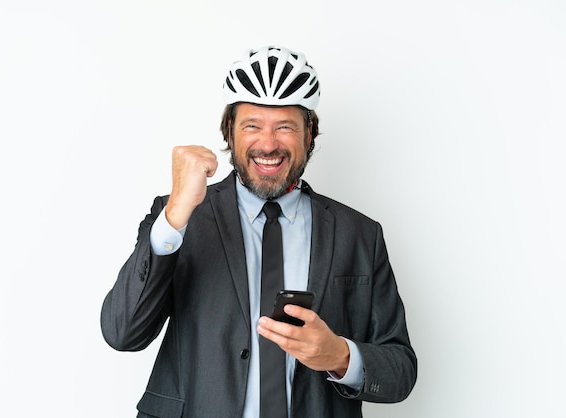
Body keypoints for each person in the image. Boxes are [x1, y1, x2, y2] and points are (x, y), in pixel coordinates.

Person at [101, 45, 417, 418]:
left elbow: (401, 370)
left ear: (309, 132)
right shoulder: (181, 219)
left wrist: (340, 355)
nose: (268, 145)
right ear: (229, 131)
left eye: (285, 127)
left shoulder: (360, 234)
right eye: (252, 126)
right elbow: (123, 332)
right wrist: (175, 214)